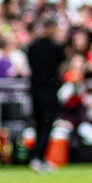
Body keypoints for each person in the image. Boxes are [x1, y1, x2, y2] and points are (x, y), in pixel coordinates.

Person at [26, 18, 68, 170]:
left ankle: (37, 157)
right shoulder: (56, 48)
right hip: (49, 91)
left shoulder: (32, 47)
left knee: (37, 124)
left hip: (35, 90)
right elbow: (62, 69)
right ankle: (38, 157)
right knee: (46, 125)